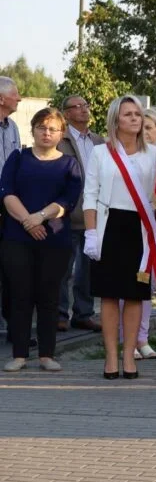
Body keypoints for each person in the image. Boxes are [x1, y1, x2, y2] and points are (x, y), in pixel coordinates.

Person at [83, 95, 156, 380]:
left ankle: (129, 356)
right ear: (115, 119)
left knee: (134, 296)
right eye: (128, 114)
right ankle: (110, 357)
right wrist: (91, 233)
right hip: (109, 228)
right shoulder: (100, 153)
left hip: (139, 230)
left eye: (138, 114)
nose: (135, 119)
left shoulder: (153, 154)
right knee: (108, 296)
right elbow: (90, 195)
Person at [1, 107, 82, 372]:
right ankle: (20, 354)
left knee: (48, 297)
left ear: (61, 133)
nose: (46, 133)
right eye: (41, 127)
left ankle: (47, 354)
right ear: (33, 129)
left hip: (54, 240)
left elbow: (68, 201)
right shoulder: (18, 157)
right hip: (17, 238)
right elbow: (7, 193)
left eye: (52, 129)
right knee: (20, 295)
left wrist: (40, 217)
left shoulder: (69, 164)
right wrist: (28, 220)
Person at [56, 95, 104, 334]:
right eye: (78, 106)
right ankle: (60, 314)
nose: (84, 109)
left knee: (87, 270)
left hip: (92, 215)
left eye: (86, 105)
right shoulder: (60, 141)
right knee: (63, 268)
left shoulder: (98, 140)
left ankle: (83, 314)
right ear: (66, 114)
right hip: (66, 214)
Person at [129, 107, 156, 360]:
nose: (146, 133)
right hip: (131, 226)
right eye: (143, 128)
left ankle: (142, 338)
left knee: (147, 286)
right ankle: (127, 339)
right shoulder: (127, 156)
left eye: (150, 128)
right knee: (126, 283)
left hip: (155, 228)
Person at [0, 77, 23, 343]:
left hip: (10, 204)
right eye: (15, 94)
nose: (19, 98)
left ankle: (14, 329)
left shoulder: (14, 127)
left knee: (12, 268)